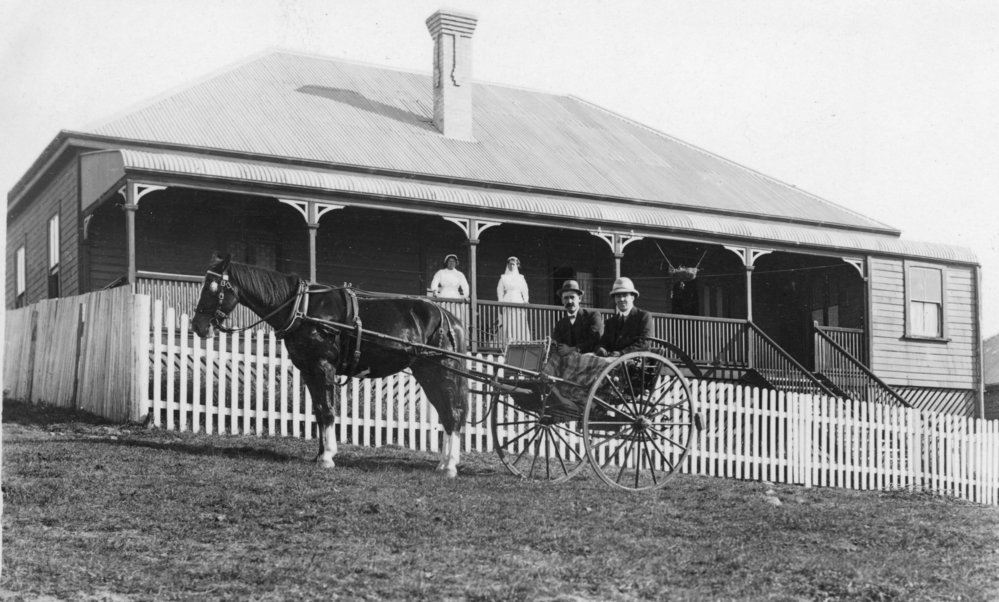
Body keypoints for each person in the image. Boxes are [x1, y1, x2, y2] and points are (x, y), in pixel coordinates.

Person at [595, 277, 653, 357]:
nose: (621, 299)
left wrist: (622, 353)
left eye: (625, 295)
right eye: (618, 296)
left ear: (632, 297)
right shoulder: (610, 322)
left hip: (634, 361)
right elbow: (603, 342)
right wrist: (601, 348)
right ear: (615, 299)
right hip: (612, 362)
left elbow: (644, 343)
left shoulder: (643, 317)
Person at [550, 279, 604, 354]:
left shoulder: (592, 316)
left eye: (572, 297)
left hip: (590, 360)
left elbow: (595, 340)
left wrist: (572, 349)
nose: (569, 301)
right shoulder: (560, 324)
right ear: (562, 300)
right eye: (566, 298)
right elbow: (559, 346)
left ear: (579, 299)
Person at [496, 256, 531, 345]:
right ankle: (507, 342)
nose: (512, 266)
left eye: (513, 264)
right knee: (508, 322)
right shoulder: (504, 277)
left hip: (518, 300)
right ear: (507, 265)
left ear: (517, 265)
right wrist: (500, 302)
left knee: (518, 322)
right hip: (507, 300)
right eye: (510, 264)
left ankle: (520, 341)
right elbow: (499, 291)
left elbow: (525, 290)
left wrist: (526, 300)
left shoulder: (521, 278)